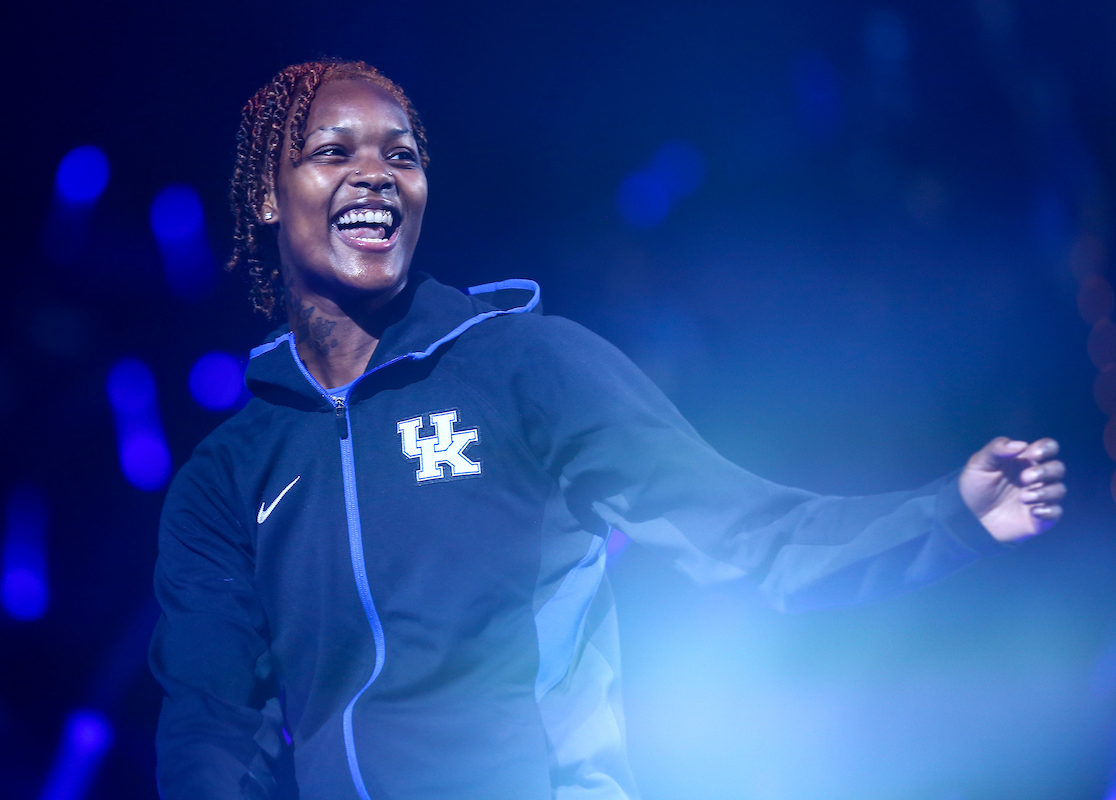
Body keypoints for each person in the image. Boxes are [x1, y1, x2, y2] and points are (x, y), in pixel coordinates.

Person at [149, 60, 1066, 800]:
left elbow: (748, 536)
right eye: (332, 150)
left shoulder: (524, 369)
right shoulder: (230, 475)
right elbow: (212, 724)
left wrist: (952, 516)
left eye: (402, 154)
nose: (376, 174)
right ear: (267, 196)